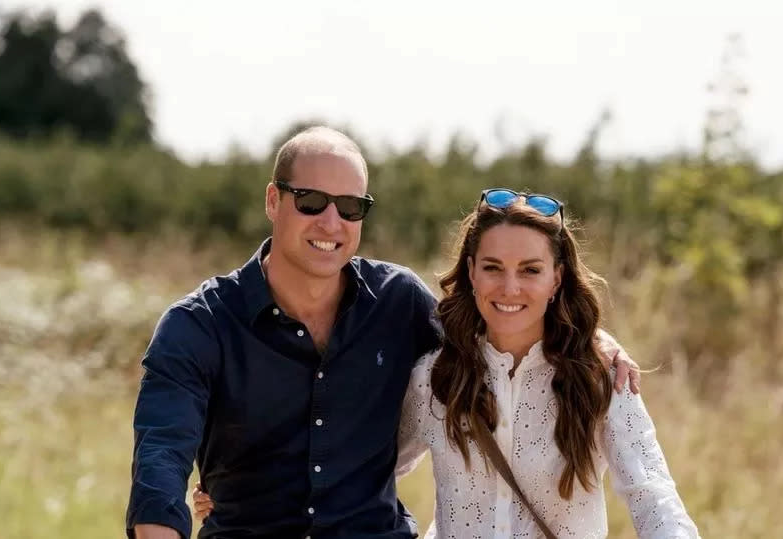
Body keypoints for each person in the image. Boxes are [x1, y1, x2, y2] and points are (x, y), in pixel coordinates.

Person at [127, 127, 639, 539]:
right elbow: (160, 461)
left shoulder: (398, 303)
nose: (331, 222)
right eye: (311, 201)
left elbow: (498, 328)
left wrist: (590, 340)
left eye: (350, 207)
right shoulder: (199, 326)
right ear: (272, 200)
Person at [196, 188, 698, 537]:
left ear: (557, 278)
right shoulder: (436, 375)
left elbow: (653, 496)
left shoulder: (601, 376)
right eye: (493, 268)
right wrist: (248, 491)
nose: (510, 288)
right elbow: (354, 466)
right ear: (471, 274)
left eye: (530, 270)